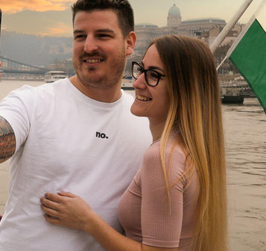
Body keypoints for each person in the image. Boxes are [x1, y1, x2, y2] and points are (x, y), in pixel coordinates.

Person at [0, 0, 152, 250]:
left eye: (103, 35)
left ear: (130, 43)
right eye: (80, 36)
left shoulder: (147, 121)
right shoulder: (33, 102)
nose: (89, 46)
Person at [41, 35, 228, 251]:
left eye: (154, 76)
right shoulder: (196, 151)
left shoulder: (162, 156)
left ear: (183, 89)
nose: (137, 83)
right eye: (141, 70)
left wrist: (87, 220)